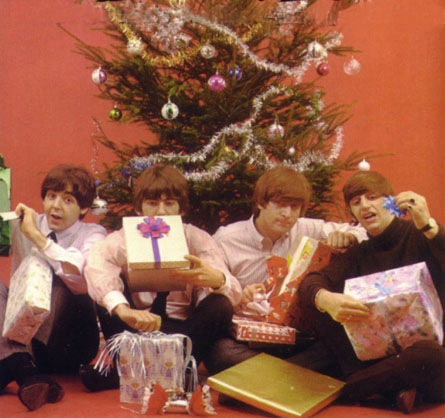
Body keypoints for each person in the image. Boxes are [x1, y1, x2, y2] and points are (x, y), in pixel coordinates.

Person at [79, 164, 242, 392]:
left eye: (169, 203)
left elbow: (234, 292)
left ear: (181, 208)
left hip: (183, 333)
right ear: (139, 208)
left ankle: (142, 374)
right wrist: (123, 310)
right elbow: (97, 266)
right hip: (136, 326)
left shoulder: (196, 238)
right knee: (106, 296)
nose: (161, 212)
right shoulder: (122, 239)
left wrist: (217, 280)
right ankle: (149, 372)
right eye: (153, 203)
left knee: (221, 303)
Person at [298, 170, 445, 414]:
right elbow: (311, 283)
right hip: (376, 357)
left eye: (372, 197)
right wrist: (327, 300)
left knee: (433, 357)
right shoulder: (360, 252)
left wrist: (428, 225)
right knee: (319, 303)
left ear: (391, 201)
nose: (365, 205)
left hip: (426, 352)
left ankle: (351, 389)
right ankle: (391, 388)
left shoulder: (420, 235)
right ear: (353, 214)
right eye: (356, 202)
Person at [204, 165, 367, 375]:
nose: (287, 214)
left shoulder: (306, 228)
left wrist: (349, 237)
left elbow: (362, 230)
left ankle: (263, 376)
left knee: (334, 347)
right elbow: (207, 296)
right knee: (221, 354)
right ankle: (291, 375)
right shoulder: (226, 239)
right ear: (260, 203)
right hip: (245, 338)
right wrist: (239, 296)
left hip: (295, 336)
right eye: (280, 205)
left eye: (294, 207)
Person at [0, 164, 107, 411]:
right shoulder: (26, 222)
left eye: (67, 200)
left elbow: (79, 277)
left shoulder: (94, 234)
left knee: (58, 277)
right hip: (24, 341)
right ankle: (25, 370)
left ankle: (15, 366)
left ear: (83, 208)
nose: (56, 206)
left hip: (68, 342)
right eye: (51, 196)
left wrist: (36, 237)